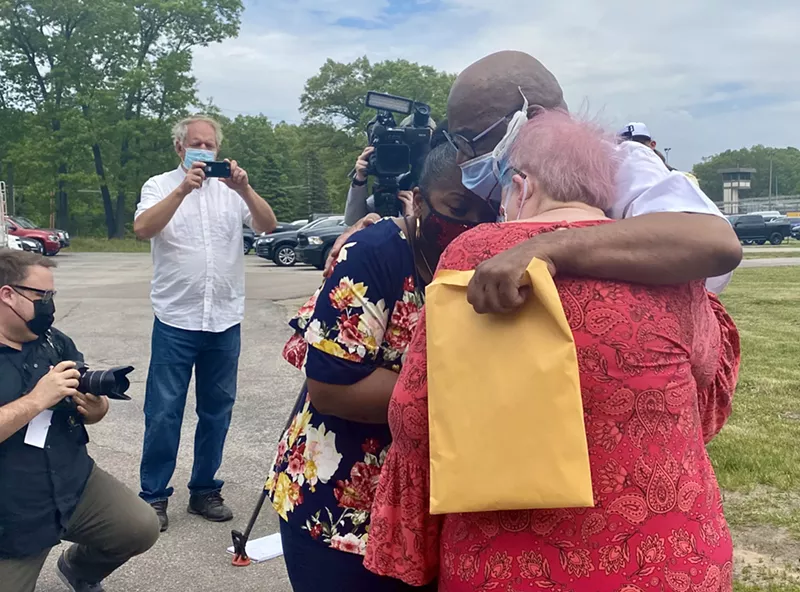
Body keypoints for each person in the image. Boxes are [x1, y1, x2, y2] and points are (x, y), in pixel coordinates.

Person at [366, 110, 740, 591]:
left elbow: (415, 417)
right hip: (680, 553)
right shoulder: (672, 261)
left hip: (511, 562)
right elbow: (708, 383)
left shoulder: (477, 251)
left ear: (522, 187)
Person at [265, 133, 496, 591]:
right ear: (419, 201)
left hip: (434, 509)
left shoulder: (492, 266)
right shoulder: (377, 252)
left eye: (487, 211)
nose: (473, 223)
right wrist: (468, 393)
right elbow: (331, 388)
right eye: (458, 207)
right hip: (339, 510)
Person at [445, 51, 741, 308]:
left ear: (532, 118)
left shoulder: (620, 163)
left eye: (469, 141)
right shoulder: (501, 186)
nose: (462, 159)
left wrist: (544, 248)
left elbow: (713, 241)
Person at [133, 115, 277, 531]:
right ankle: (154, 496)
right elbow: (142, 229)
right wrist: (183, 188)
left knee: (216, 412)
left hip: (224, 319)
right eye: (195, 143)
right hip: (176, 318)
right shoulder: (159, 185)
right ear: (180, 148)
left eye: (210, 144)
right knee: (163, 413)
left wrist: (245, 188)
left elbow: (268, 225)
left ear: (219, 149)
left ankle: (204, 490)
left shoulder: (232, 192)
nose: (203, 150)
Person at [0, 250, 160, 592]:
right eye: (41, 297)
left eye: (53, 295)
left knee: (140, 526)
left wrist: (95, 408)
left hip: (71, 481)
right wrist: (37, 399)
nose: (50, 305)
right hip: (10, 510)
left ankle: (79, 569)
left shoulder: (53, 341)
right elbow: (38, 402)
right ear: (7, 295)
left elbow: (92, 408)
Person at [619, 121, 700, 185]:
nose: (631, 148)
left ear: (652, 145)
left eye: (639, 144)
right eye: (623, 145)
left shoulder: (684, 179)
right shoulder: (615, 183)